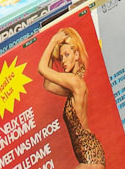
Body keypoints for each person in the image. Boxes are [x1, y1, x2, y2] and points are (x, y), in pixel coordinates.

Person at [37, 28, 107, 169]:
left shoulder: (75, 83)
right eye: (61, 57)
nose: (63, 61)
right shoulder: (74, 88)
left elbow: (41, 68)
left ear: (76, 55)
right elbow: (47, 84)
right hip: (89, 156)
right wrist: (54, 51)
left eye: (67, 55)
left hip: (90, 158)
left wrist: (53, 41)